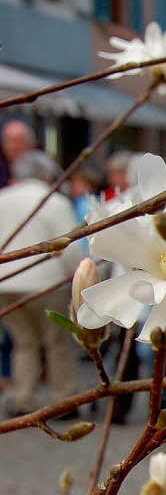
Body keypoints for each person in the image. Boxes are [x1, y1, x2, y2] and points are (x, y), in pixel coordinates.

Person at [0, 151, 82, 415]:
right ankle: (63, 399)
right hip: (47, 283)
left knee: (24, 341)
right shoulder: (55, 202)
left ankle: (22, 397)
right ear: (47, 175)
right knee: (56, 341)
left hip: (6, 283)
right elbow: (68, 247)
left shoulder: (2, 199)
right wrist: (78, 277)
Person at [0, 120, 37, 189]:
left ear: (31, 144)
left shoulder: (40, 166)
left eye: (19, 141)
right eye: (8, 141)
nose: (13, 147)